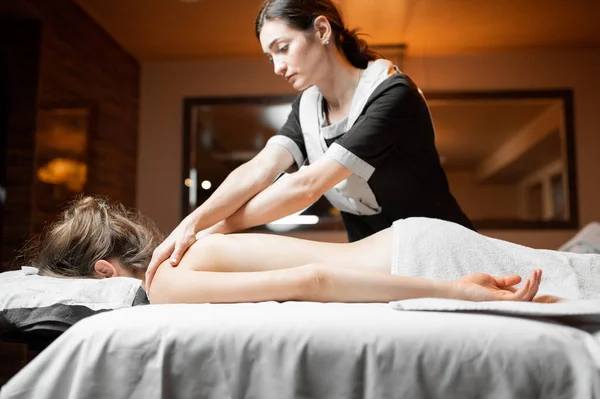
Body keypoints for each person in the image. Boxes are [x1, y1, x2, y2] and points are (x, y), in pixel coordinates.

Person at [145, 0, 473, 288]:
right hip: (378, 265)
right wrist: (191, 224)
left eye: (282, 47)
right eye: (269, 56)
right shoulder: (308, 108)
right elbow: (259, 168)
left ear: (321, 30)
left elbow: (309, 185)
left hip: (440, 252)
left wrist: (209, 230)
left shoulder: (392, 94)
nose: (277, 67)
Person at [23, 196, 547, 304]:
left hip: (415, 259)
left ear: (102, 272)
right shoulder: (192, 247)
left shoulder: (167, 283)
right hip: (413, 240)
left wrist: (452, 291)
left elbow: (311, 280)